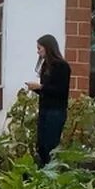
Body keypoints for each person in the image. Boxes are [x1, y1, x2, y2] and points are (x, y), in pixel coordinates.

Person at [25, 34, 72, 167]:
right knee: (41, 145)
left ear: (48, 48)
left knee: (50, 145)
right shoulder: (46, 66)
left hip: (56, 111)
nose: (38, 51)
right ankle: (42, 171)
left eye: (39, 48)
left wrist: (41, 87)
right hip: (45, 109)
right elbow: (47, 90)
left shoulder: (62, 66)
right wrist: (36, 88)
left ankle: (50, 171)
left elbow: (61, 91)